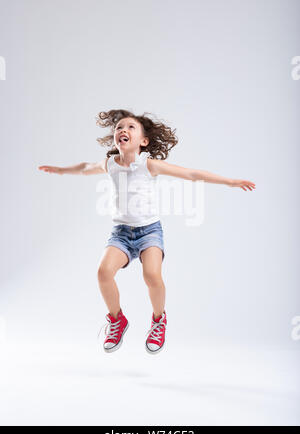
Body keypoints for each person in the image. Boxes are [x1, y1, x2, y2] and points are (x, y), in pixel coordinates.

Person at [38, 109, 256, 355]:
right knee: (103, 272)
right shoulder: (110, 164)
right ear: (115, 137)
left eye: (131, 127)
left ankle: (158, 320)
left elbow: (192, 174)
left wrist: (230, 181)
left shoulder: (148, 165)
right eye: (120, 127)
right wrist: (60, 170)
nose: (123, 130)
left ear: (143, 141)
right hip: (120, 232)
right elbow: (85, 167)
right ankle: (117, 319)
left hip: (149, 231)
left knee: (152, 276)